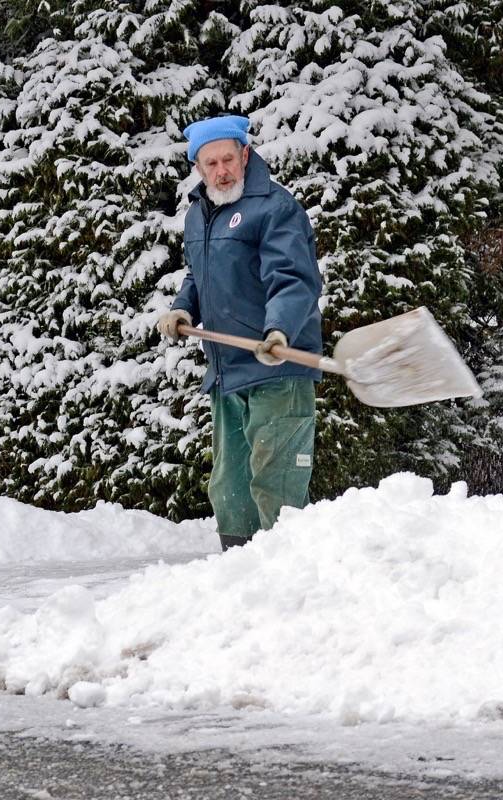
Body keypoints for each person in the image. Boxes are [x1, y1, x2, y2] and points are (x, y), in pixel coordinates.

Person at [157, 115, 323, 551]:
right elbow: (200, 276)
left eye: (228, 159)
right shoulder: (199, 215)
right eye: (209, 163)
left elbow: (293, 278)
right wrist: (181, 307)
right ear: (197, 167)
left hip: (277, 367)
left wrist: (280, 330)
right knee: (229, 486)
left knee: (277, 480)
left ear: (245, 155)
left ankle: (290, 573)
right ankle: (240, 579)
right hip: (227, 370)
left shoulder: (275, 207)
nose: (220, 171)